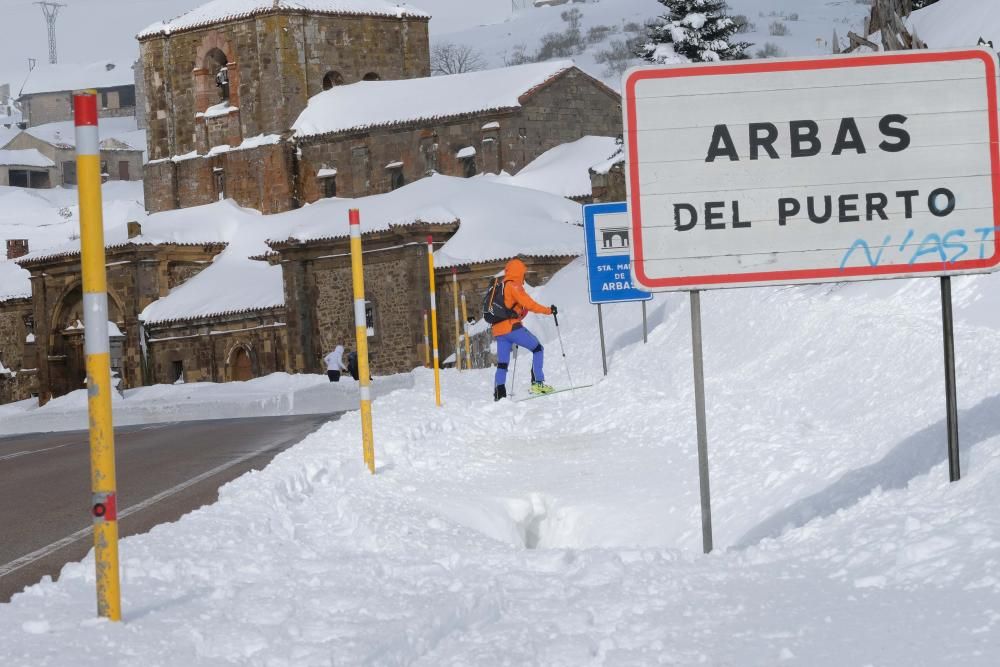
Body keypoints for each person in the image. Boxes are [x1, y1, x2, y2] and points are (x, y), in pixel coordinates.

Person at [492, 258, 557, 401]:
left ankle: (499, 393)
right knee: (538, 348)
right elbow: (530, 304)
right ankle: (537, 384)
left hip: (498, 331)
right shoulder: (514, 286)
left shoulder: (501, 287)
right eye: (523, 273)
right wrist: (548, 311)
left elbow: (514, 308)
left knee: (502, 363)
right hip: (512, 328)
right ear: (519, 272)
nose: (524, 276)